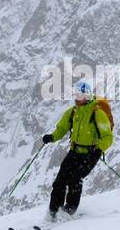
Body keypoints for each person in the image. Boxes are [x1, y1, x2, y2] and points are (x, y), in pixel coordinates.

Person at [40, 79, 113, 221]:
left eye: (80, 95)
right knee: (60, 181)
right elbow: (61, 129)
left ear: (87, 96)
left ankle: (68, 212)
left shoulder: (97, 113)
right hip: (74, 152)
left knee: (75, 180)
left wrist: (98, 151)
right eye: (75, 95)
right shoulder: (73, 112)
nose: (77, 98)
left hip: (90, 154)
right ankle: (53, 212)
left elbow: (107, 136)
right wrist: (52, 137)